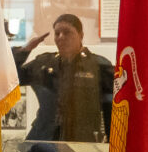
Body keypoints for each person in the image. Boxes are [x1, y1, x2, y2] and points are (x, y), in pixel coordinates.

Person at [16, 13, 112, 145]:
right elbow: (13, 79)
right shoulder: (44, 63)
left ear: (81, 35)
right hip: (43, 140)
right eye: (57, 33)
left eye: (67, 32)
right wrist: (25, 50)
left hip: (82, 144)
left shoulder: (97, 66)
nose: (61, 37)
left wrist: (111, 146)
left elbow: (110, 110)